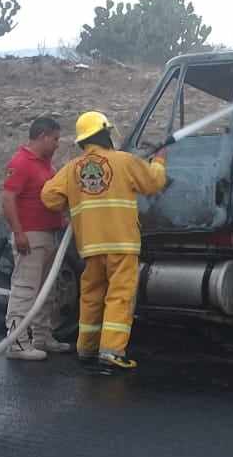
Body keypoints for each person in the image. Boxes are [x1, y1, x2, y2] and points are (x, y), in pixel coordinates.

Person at [40, 110, 167, 373]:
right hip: (121, 243)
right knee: (119, 297)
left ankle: (86, 348)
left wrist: (74, 199)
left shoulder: (72, 169)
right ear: (105, 133)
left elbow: (49, 197)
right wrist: (159, 161)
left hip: (91, 246)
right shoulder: (125, 161)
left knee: (91, 296)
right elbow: (153, 183)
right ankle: (111, 352)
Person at [1, 116, 70, 361]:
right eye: (55, 139)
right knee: (25, 289)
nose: (57, 144)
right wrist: (19, 232)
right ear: (42, 136)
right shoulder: (21, 162)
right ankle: (17, 343)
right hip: (31, 235)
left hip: (50, 234)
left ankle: (41, 337)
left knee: (47, 290)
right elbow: (8, 198)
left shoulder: (46, 165)